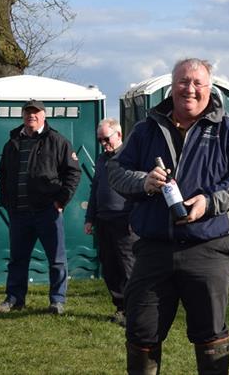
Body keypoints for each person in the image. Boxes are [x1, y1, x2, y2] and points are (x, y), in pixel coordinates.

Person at [109, 58, 229, 375]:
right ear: (171, 87)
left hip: (209, 247)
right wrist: (143, 182)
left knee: (211, 333)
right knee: (141, 332)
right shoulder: (145, 130)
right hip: (153, 248)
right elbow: (115, 172)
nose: (189, 89)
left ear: (210, 89)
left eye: (197, 83)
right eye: (182, 82)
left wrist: (210, 202)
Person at [0, 99, 81, 315]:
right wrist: (6, 200)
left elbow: (73, 172)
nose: (31, 116)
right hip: (19, 212)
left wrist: (61, 200)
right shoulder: (12, 142)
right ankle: (14, 299)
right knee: (17, 259)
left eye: (35, 112)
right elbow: (2, 173)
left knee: (57, 259)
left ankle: (57, 301)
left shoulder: (57, 141)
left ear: (44, 115)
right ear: (22, 115)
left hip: (46, 212)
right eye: (27, 112)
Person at [84, 118, 137, 327]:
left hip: (125, 221)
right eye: (100, 140)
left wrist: (135, 217)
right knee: (109, 267)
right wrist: (89, 218)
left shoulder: (130, 157)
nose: (104, 144)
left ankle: (134, 310)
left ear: (119, 135)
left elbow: (139, 189)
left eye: (106, 139)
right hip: (103, 220)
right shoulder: (100, 159)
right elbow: (95, 188)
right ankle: (121, 307)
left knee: (128, 267)